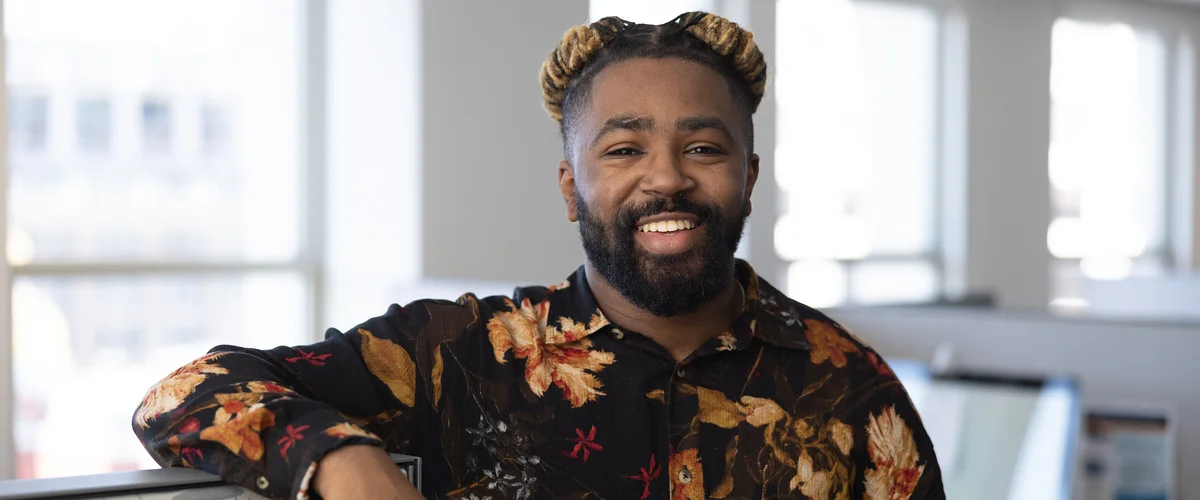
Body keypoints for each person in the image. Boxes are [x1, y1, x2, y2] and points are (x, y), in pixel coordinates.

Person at [132, 12, 944, 500]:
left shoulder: (849, 387)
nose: (666, 178)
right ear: (570, 186)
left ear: (750, 177)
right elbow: (184, 394)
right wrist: (337, 459)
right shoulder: (458, 353)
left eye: (703, 147)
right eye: (623, 149)